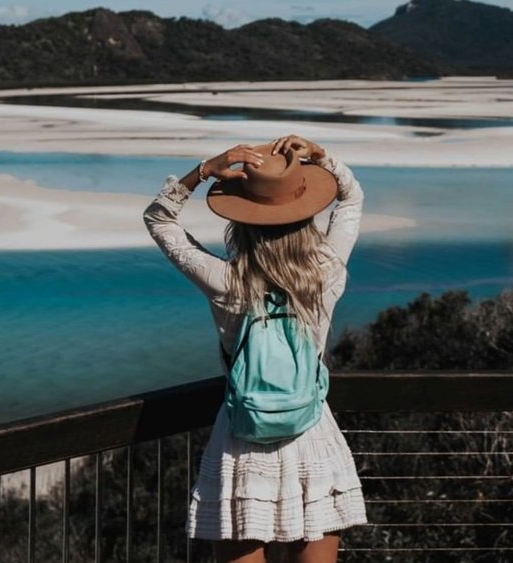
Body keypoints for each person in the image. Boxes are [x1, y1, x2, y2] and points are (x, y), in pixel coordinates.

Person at [142, 134, 368, 563]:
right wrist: (323, 159)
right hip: (313, 437)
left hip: (243, 441)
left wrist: (205, 170)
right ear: (306, 216)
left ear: (240, 221)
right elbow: (352, 201)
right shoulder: (325, 273)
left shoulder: (228, 284)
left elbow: (159, 220)